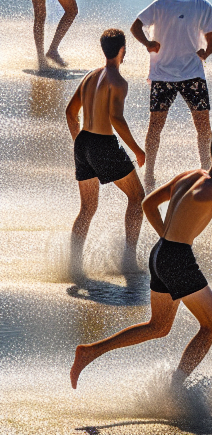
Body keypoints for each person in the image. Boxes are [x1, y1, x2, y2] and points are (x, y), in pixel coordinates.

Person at [70, 132, 212, 389]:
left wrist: (166, 235)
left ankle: (90, 351)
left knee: (158, 326)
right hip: (177, 258)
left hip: (160, 252)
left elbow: (148, 203)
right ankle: (175, 388)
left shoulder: (188, 176)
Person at [130, 0, 212, 191]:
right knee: (155, 127)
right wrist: (147, 43)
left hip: (193, 73)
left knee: (203, 126)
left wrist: (205, 52)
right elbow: (135, 26)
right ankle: (149, 174)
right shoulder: (162, 4)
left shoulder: (204, 6)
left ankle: (207, 172)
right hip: (163, 75)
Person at [65, 28, 145, 273]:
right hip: (103, 144)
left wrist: (81, 146)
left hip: (83, 143)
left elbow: (70, 112)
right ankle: (128, 260)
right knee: (138, 198)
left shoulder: (90, 76)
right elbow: (116, 118)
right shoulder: (118, 81)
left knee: (87, 209)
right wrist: (137, 150)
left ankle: (73, 265)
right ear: (122, 51)